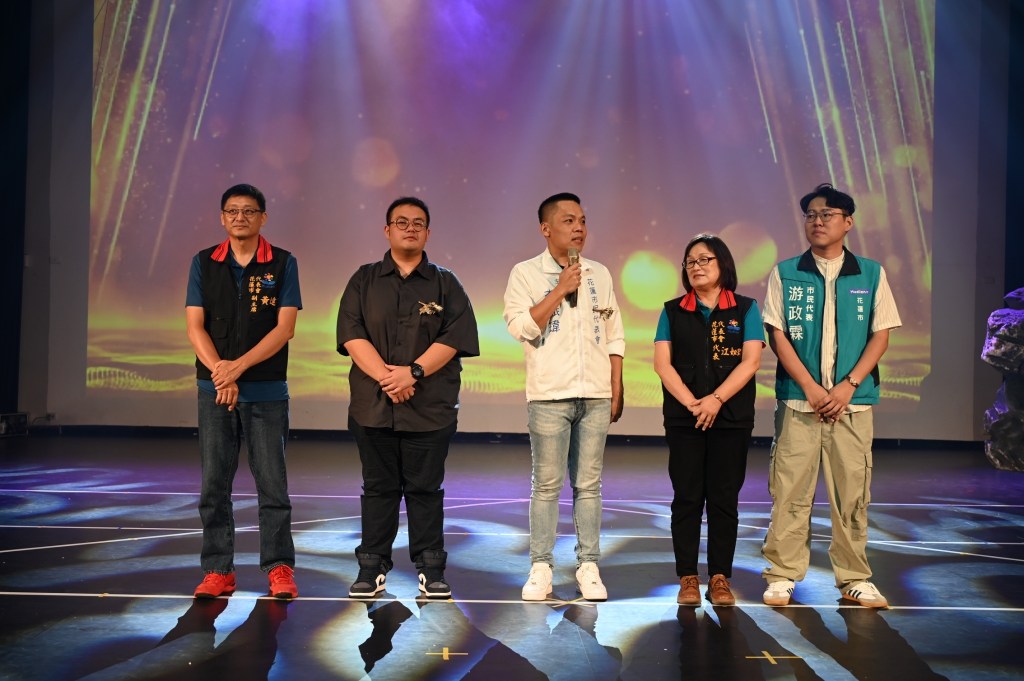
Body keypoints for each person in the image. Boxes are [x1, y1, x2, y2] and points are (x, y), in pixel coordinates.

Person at [760, 183, 902, 608]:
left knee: (852, 494)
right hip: (798, 403)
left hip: (852, 404)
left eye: (827, 214)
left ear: (848, 222)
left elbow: (881, 334)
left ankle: (854, 577)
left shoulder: (871, 273)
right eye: (811, 215)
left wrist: (847, 385)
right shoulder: (786, 272)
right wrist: (810, 387)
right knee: (790, 491)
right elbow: (777, 334)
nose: (817, 221)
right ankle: (782, 574)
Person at [337, 196, 479, 599]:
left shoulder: (446, 283)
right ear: (387, 230)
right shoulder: (363, 279)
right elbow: (352, 334)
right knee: (378, 488)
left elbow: (455, 337)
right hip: (373, 406)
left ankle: (431, 569)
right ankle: (372, 567)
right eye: (401, 222)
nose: (410, 228)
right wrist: (389, 378)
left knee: (425, 489)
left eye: (418, 223)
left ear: (428, 233)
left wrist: (412, 373)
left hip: (430, 408)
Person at [503, 192, 625, 602]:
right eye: (569, 220)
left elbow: (614, 334)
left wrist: (616, 384)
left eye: (583, 221)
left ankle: (588, 565)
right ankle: (541, 567)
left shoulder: (599, 274)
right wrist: (559, 290)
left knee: (589, 485)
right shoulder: (525, 273)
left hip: (595, 394)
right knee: (547, 485)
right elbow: (522, 328)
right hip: (549, 395)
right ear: (546, 228)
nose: (579, 228)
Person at [185, 183, 301, 600]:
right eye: (232, 211)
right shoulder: (204, 262)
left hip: (266, 391)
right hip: (215, 390)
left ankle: (279, 567)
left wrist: (238, 367)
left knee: (272, 486)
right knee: (214, 485)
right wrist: (222, 373)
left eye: (249, 211)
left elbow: (284, 329)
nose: (240, 217)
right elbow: (195, 326)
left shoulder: (283, 262)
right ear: (222, 218)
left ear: (262, 218)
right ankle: (218, 570)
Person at [653, 234, 764, 606]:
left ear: (723, 264)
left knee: (723, 499)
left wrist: (715, 400)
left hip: (731, 418)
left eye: (705, 259)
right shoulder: (672, 311)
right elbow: (663, 365)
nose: (696, 266)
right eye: (690, 261)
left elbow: (751, 361)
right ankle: (687, 576)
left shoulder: (746, 309)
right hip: (684, 420)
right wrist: (693, 404)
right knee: (686, 498)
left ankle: (719, 577)